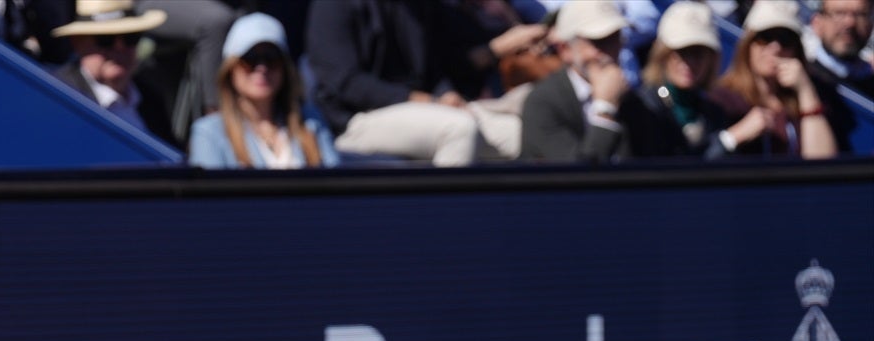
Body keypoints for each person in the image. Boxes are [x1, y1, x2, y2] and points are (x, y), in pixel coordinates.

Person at [306, 0, 548, 166]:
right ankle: (444, 231)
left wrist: (447, 94)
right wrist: (425, 100)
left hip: (425, 109)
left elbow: (433, 69)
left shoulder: (417, 7)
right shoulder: (334, 5)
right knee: (459, 129)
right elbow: (345, 83)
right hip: (355, 120)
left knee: (521, 133)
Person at [189, 11, 339, 167]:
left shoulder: (311, 121)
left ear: (285, 68)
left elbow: (336, 184)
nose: (262, 68)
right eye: (250, 59)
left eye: (272, 58)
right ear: (231, 68)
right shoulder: (209, 133)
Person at [520, 0, 663, 160]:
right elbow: (575, 177)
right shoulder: (542, 103)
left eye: (614, 38)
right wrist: (605, 110)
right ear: (565, 49)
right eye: (598, 42)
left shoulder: (631, 101)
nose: (608, 53)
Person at [709, 0, 840, 158]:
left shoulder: (810, 97)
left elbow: (822, 164)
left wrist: (805, 91)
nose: (775, 48)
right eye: (765, 37)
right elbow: (701, 161)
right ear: (748, 45)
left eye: (785, 40)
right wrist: (736, 135)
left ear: (796, 50)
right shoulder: (722, 99)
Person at [50, 0, 181, 143]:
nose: (120, 49)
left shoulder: (149, 98)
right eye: (106, 40)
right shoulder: (58, 97)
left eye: (130, 38)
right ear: (78, 43)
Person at [635, 1, 736, 158]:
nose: (688, 63)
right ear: (663, 54)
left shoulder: (715, 114)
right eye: (681, 52)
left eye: (697, 53)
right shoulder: (643, 107)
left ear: (711, 60)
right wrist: (727, 141)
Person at [805, 0, 873, 153]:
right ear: (817, 23)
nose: (850, 23)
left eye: (860, 14)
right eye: (839, 13)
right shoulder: (804, 82)